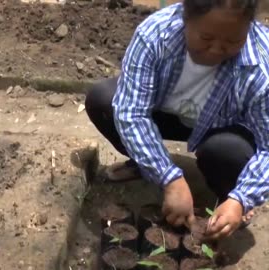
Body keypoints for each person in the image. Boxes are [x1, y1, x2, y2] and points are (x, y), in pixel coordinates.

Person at [85, 0, 267, 240]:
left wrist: (241, 198)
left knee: (226, 151)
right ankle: (147, 164)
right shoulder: (156, 35)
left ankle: (230, 199)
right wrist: (169, 178)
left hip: (221, 128)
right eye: (206, 38)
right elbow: (132, 112)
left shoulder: (261, 63)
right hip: (165, 116)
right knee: (104, 101)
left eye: (233, 42)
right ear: (185, 17)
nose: (216, 49)